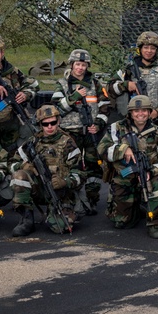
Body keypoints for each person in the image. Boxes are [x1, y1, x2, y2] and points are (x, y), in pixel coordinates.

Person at [98, 95, 158, 238]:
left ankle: (154, 222)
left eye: (144, 110)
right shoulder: (117, 128)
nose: (140, 114)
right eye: (136, 111)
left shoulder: (157, 132)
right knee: (122, 222)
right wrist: (122, 149)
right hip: (124, 177)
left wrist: (152, 170)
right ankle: (134, 208)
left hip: (148, 176)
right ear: (131, 113)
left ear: (149, 112)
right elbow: (101, 149)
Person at [9, 105, 83, 236]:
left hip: (61, 193)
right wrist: (23, 166)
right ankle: (26, 220)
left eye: (53, 123)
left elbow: (81, 174)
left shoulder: (68, 143)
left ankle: (54, 212)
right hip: (39, 189)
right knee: (19, 176)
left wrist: (65, 182)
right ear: (40, 124)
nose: (50, 127)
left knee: (60, 227)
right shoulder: (32, 142)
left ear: (58, 122)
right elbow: (12, 164)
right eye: (45, 123)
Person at [52, 49, 109, 216]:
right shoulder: (62, 84)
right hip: (70, 134)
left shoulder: (95, 84)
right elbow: (55, 109)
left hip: (90, 132)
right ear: (72, 65)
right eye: (77, 64)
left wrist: (98, 124)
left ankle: (91, 200)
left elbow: (105, 106)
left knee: (94, 167)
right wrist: (74, 96)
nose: (80, 68)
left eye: (83, 65)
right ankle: (72, 200)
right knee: (71, 167)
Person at [107, 30, 158, 139]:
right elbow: (110, 88)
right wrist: (126, 85)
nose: (149, 51)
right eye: (146, 47)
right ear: (140, 49)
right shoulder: (129, 68)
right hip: (133, 117)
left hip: (157, 117)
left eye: (152, 48)